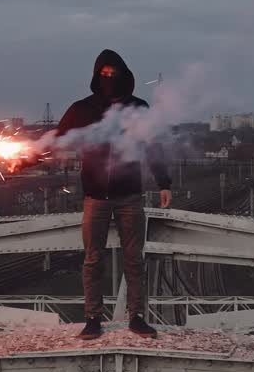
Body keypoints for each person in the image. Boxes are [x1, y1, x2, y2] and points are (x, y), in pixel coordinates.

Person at [56, 49, 171, 339]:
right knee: (93, 260)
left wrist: (164, 183)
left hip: (130, 196)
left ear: (124, 75)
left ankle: (137, 318)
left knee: (134, 260)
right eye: (103, 74)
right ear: (96, 76)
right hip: (95, 198)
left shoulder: (138, 108)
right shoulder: (82, 109)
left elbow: (153, 147)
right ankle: (93, 318)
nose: (109, 78)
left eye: (113, 73)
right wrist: (25, 157)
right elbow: (57, 140)